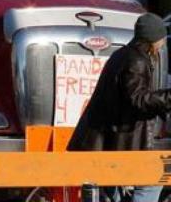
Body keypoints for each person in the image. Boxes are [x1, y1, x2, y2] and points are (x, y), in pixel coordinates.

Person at [69, 12, 171, 202]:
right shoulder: (137, 61)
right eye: (162, 39)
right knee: (152, 178)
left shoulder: (124, 54)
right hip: (115, 140)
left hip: (107, 139)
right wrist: (168, 97)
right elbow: (138, 99)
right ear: (151, 39)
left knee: (114, 190)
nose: (163, 43)